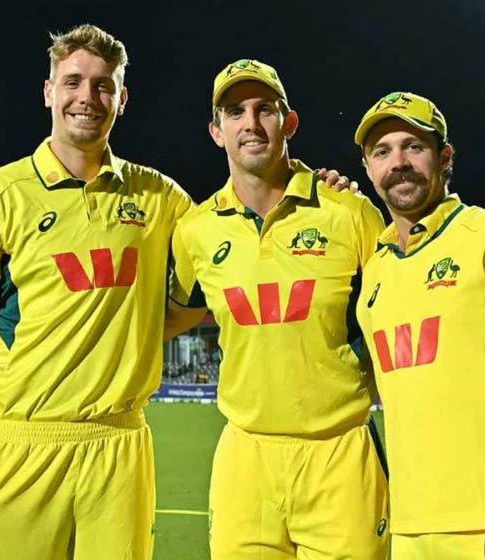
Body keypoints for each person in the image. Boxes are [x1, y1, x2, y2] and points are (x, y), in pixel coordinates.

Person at [0, 24, 205, 559]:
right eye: (73, 82)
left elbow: (230, 249)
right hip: (19, 447)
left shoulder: (161, 198)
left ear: (122, 100)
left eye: (104, 85)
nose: (87, 97)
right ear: (48, 92)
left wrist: (311, 188)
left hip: (119, 449)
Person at [167, 59, 390, 559]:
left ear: (289, 123)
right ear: (216, 132)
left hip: (340, 454)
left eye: (264, 109)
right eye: (234, 112)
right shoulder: (195, 231)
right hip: (245, 459)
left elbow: (395, 316)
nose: (250, 123)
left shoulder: (350, 213)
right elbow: (172, 316)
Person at [353, 92, 485, 559]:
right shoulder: (375, 269)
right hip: (411, 528)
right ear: (368, 170)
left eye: (414, 146)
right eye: (383, 151)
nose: (399, 162)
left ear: (445, 157)